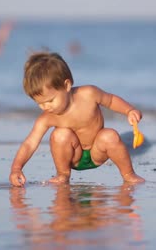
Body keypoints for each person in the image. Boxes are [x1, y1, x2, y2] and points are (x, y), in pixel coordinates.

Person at [9, 52, 145, 185]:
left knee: (110, 135)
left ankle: (128, 174)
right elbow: (30, 144)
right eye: (39, 103)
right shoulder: (47, 118)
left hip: (97, 152)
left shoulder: (89, 94)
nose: (45, 107)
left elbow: (110, 100)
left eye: (50, 101)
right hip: (74, 157)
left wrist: (129, 110)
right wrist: (16, 168)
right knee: (60, 135)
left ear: (67, 85)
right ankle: (62, 174)